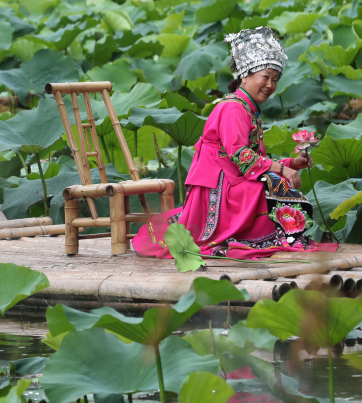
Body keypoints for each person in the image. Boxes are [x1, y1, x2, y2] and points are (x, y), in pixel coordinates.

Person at [133, 27, 336, 260]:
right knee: (275, 187)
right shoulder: (234, 108)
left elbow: (254, 160)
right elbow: (241, 156)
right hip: (219, 187)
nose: (270, 85)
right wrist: (282, 169)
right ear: (245, 76)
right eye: (265, 77)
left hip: (232, 179)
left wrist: (291, 163)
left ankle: (273, 237)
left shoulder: (246, 108)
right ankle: (266, 238)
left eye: (275, 80)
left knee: (275, 183)